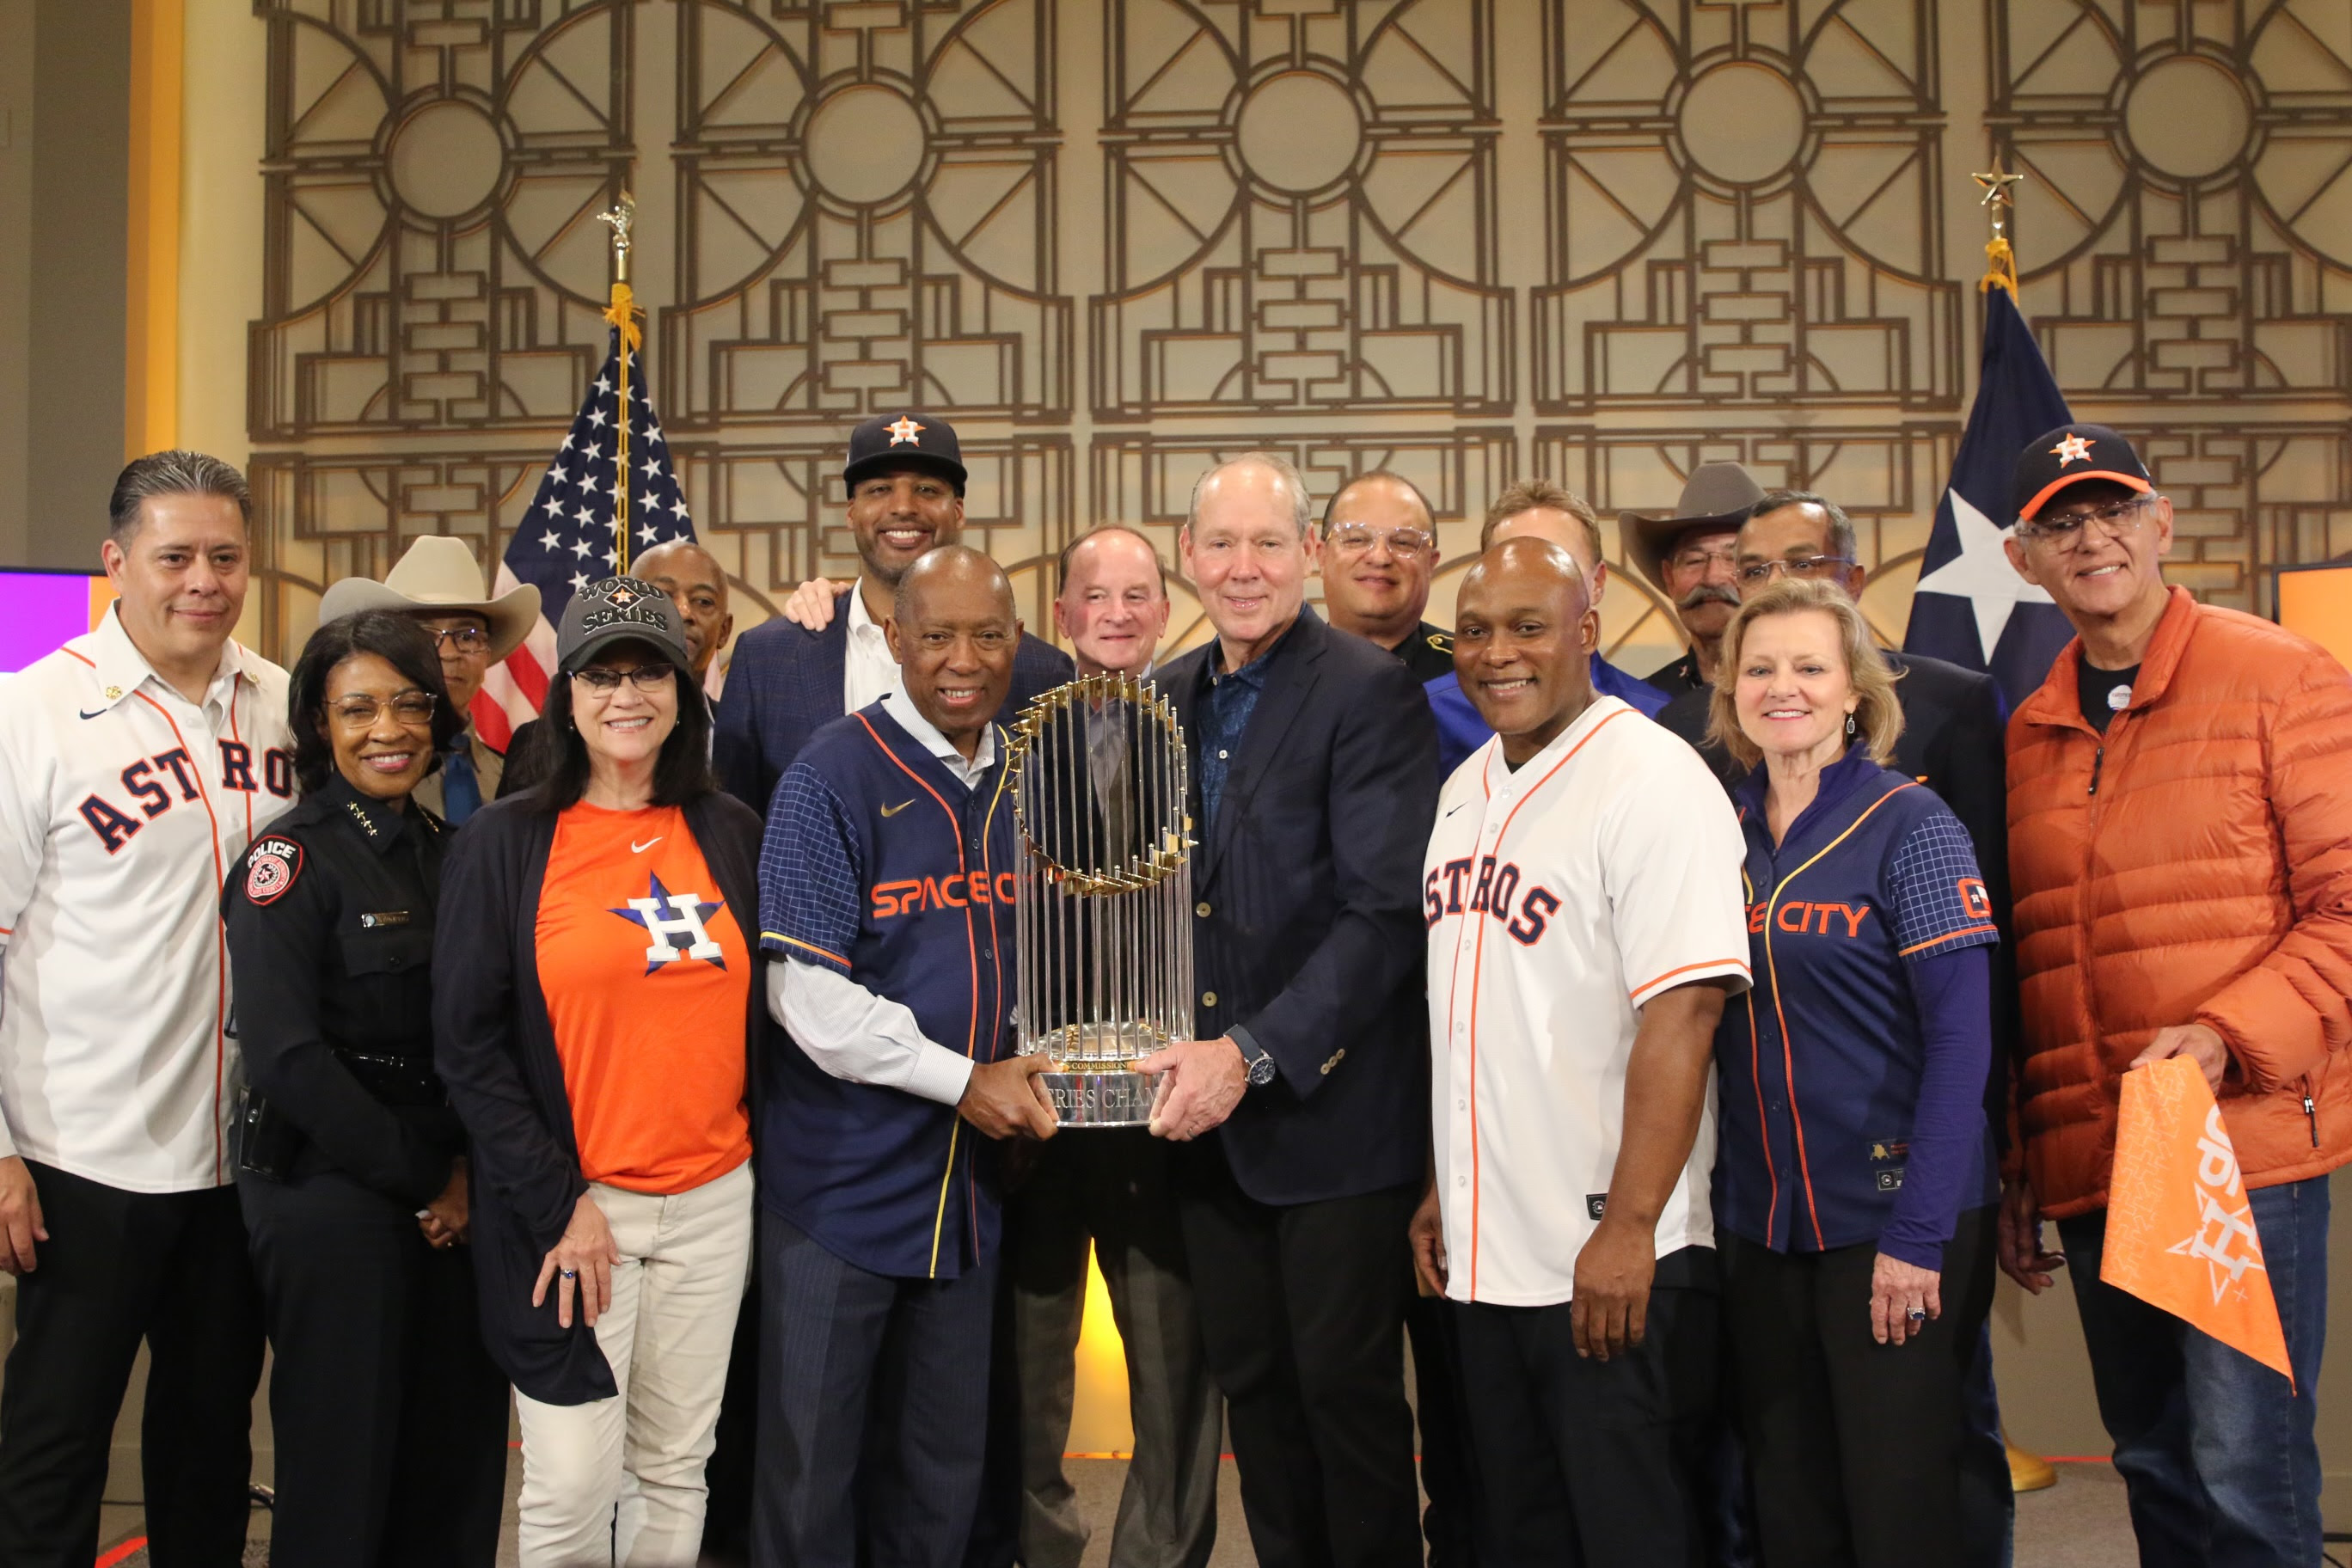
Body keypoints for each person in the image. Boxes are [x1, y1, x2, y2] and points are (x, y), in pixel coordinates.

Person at [1998, 424, 2352, 1566]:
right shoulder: (2029, 732)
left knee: (2245, 1469)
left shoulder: (2279, 673)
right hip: (2103, 1153)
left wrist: (2222, 1037)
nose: (2091, 538)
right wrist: (2021, 1156)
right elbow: (2029, 961)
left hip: (2233, 1139)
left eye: (2112, 511)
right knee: (2153, 1461)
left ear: (2161, 525)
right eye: (2061, 522)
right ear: (2024, 560)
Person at [1655, 487, 2018, 1564]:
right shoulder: (1713, 834)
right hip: (1764, 1229)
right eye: (1760, 668)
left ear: (1856, 690)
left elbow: (1963, 1041)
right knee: (1791, 1505)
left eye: (1811, 668)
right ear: (1729, 688)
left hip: (1894, 1223)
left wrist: (1917, 1241)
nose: (1783, 689)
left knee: (1899, 1506)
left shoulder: (1912, 823)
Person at [1411, 537, 1748, 1565]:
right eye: (1475, 630)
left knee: (1634, 1539)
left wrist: (1631, 1226)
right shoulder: (1466, 782)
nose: (1496, 653)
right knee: (1521, 1537)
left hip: (1611, 1255)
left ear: (1587, 635)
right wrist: (1443, 1186)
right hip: (1489, 1257)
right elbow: (1476, 1012)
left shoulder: (1652, 777)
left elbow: (1685, 1014)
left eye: (1528, 626)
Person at [1136, 452, 1438, 1568]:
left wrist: (1251, 1054)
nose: (1244, 567)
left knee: (1345, 1410)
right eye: (1222, 544)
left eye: (1270, 544)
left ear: (1309, 556)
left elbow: (1381, 915)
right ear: (1189, 556)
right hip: (1206, 1133)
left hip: (1333, 1121)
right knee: (1255, 1410)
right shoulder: (1164, 698)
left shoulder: (1367, 689)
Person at [0, 450, 295, 1568]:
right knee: (54, 1448)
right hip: (81, 1157)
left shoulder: (280, 705)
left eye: (225, 556)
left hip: (238, 1156)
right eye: (175, 557)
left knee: (209, 1448)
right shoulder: (32, 713)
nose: (202, 582)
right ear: (117, 562)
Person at [434, 576, 763, 1567]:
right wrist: (557, 1200)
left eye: (651, 671)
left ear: (685, 687)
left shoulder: (731, 831)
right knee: (574, 1478)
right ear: (567, 697)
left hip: (714, 1201)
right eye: (603, 675)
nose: (629, 695)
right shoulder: (508, 842)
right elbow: (468, 1044)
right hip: (575, 1213)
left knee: (674, 1467)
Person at [752, 546, 1059, 1565]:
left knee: (942, 1481)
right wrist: (964, 1080)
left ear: (1018, 644)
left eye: (987, 636)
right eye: (936, 635)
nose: (962, 660)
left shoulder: (1030, 777)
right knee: (812, 1482)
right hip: (839, 1193)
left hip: (967, 1206)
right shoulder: (829, 774)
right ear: (895, 641)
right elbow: (806, 995)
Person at [222, 609, 509, 1566]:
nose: (387, 729)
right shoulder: (287, 859)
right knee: (343, 1478)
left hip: (455, 1197)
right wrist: (429, 1183)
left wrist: (464, 1175)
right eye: (357, 709)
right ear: (316, 725)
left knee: (456, 1466)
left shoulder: (453, 847)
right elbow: (287, 1059)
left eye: (408, 703)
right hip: (332, 1193)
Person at [998, 524, 1223, 1568]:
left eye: (1140, 596)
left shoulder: (1197, 724)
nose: (1119, 615)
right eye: (1098, 597)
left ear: (1166, 609)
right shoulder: (1007, 726)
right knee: (1025, 1363)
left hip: (1163, 1100)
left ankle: (1160, 1555)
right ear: (1062, 617)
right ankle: (1041, 1547)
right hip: (1037, 1099)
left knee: (1175, 1365)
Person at [713, 410, 1071, 816]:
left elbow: (1069, 841)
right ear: (851, 512)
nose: (903, 507)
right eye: (880, 489)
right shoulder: (766, 661)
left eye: (927, 490)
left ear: (958, 511)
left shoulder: (1043, 672)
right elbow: (734, 833)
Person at [1425, 480, 1669, 773]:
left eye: (1558, 564)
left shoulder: (1657, 719)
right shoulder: (1429, 716)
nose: (1532, 583)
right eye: (1511, 563)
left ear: (1599, 582)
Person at [317, 535, 540, 824]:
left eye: (467, 636)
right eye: (424, 635)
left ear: (487, 654)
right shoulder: (353, 770)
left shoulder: (518, 780)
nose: (448, 654)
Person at [1618, 462, 1764, 696]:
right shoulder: (1644, 708)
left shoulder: (1808, 696)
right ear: (1669, 578)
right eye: (1695, 560)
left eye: (1733, 559)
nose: (1713, 578)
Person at [1320, 470, 1455, 680]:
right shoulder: (1276, 673)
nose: (1380, 557)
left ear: (1431, 564)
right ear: (1322, 557)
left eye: (1403, 542)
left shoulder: (1472, 672)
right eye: (1357, 539)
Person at [636, 538, 735, 697]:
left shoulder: (740, 720)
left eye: (703, 601)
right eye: (663, 596)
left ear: (724, 631)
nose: (684, 612)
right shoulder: (589, 717)